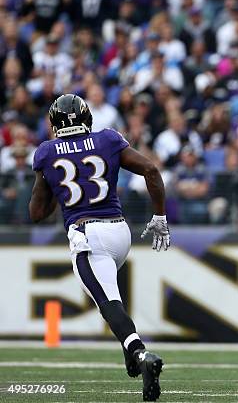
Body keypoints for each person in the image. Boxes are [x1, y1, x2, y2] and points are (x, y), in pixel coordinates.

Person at [28, 94, 168, 402]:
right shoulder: (107, 139)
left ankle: (140, 355)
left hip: (88, 233)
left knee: (108, 304)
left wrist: (52, 182)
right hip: (119, 230)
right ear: (86, 118)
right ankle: (131, 358)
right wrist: (159, 216)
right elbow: (151, 170)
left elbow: (37, 213)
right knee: (112, 296)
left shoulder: (46, 152)